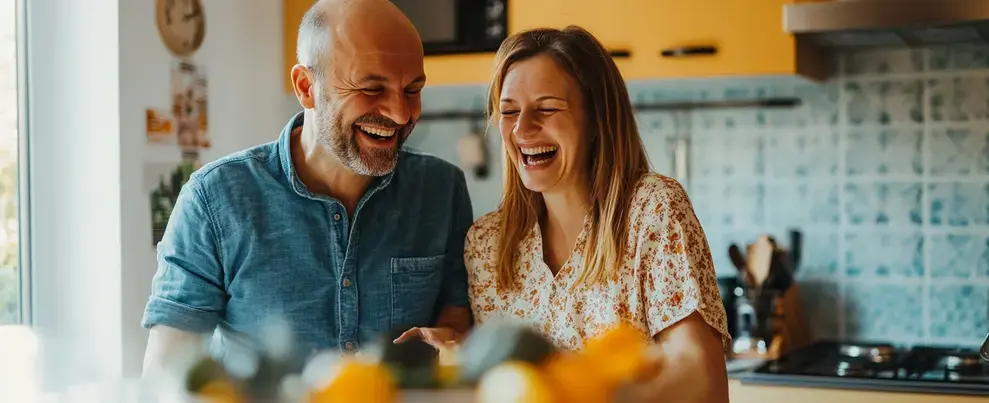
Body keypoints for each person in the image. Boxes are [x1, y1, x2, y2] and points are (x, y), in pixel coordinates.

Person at [141, 0, 473, 374]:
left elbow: (456, 308)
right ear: (305, 87)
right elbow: (167, 372)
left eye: (412, 90)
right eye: (371, 88)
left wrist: (448, 336)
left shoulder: (442, 190)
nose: (400, 113)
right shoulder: (214, 200)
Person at [463, 26, 730, 402]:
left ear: (595, 118)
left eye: (547, 108)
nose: (523, 129)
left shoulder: (653, 209)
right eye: (509, 112)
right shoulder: (486, 243)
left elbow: (703, 380)